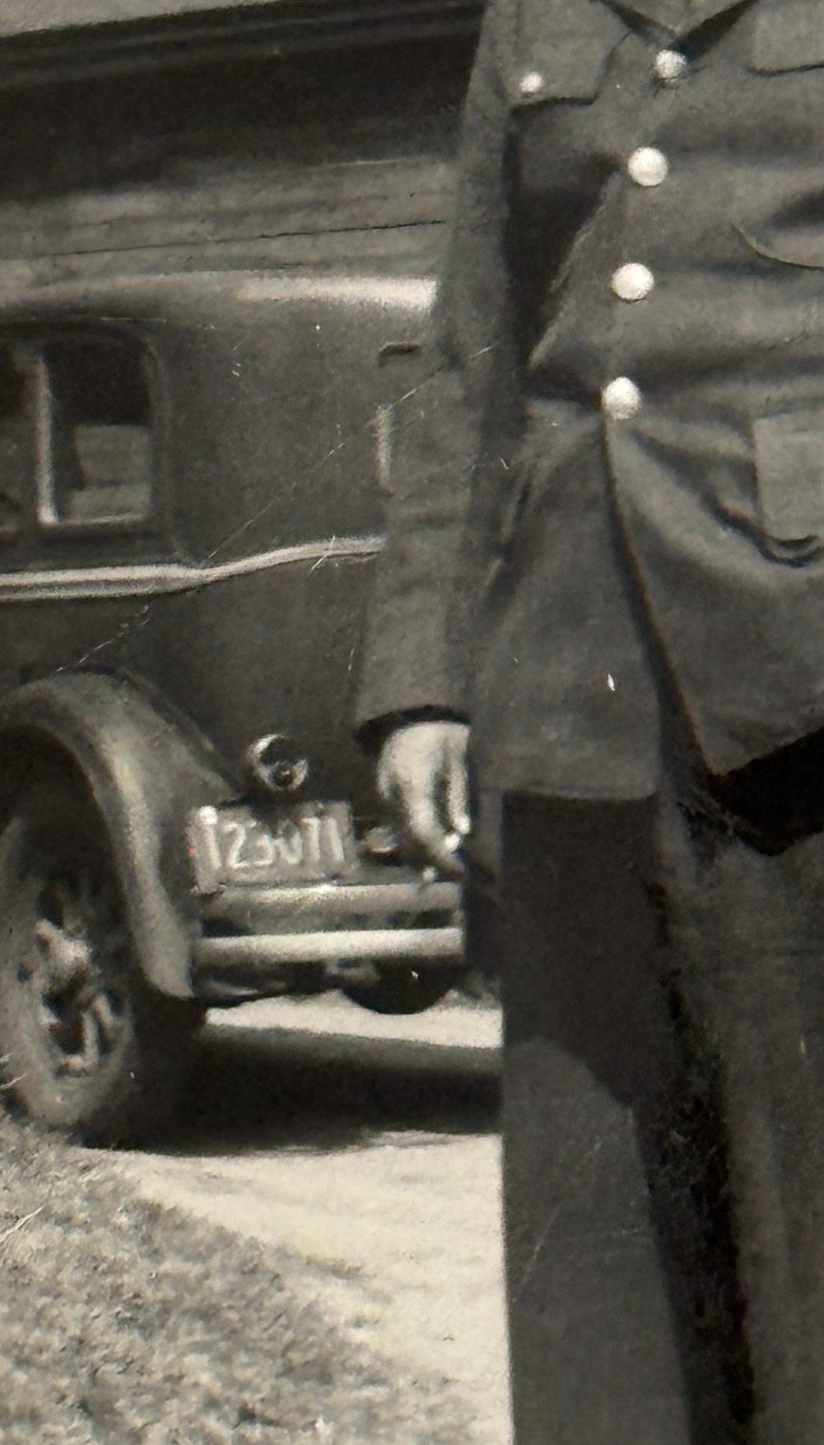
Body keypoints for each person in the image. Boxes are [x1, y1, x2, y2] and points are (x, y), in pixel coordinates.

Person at [353, 0, 824, 1440]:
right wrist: (419, 673)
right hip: (568, 669)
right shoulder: (533, 16)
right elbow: (467, 352)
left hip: (796, 668)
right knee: (593, 1244)